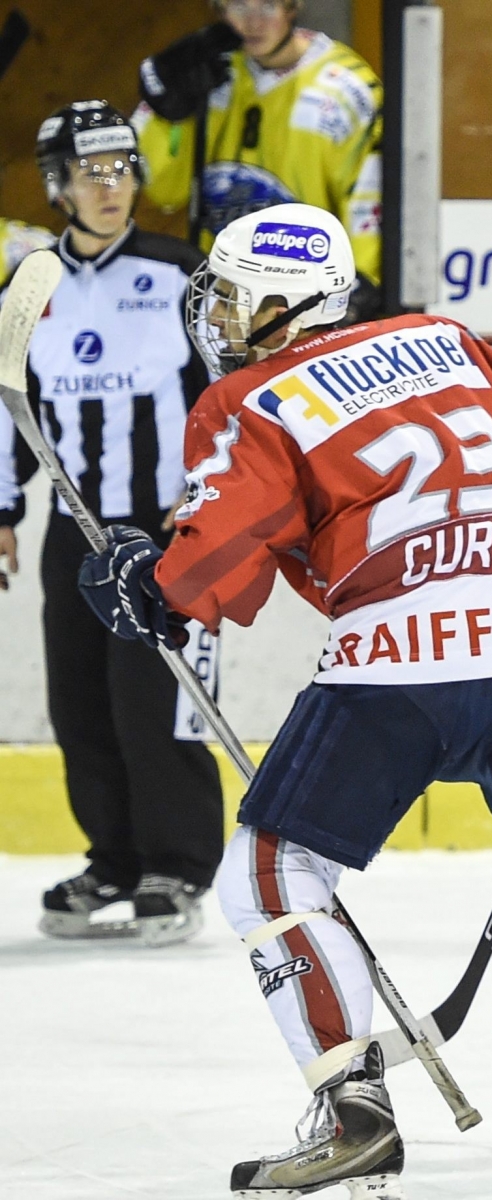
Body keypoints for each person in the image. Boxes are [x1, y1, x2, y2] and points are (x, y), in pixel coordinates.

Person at [75, 201, 492, 1200]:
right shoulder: (445, 339)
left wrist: (144, 583)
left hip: (399, 654)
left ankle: (354, 1114)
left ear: (279, 306)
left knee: (270, 875)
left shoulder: (252, 397)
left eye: (229, 297)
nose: (217, 317)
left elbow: (215, 568)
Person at [0, 102, 223, 946]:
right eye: (90, 172)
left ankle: (178, 863)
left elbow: (228, 399)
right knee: (81, 703)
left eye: (122, 169)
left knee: (155, 702)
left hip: (165, 530)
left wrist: (213, 496)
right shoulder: (30, 286)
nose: (110, 187)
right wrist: (2, 506)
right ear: (57, 185)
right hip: (73, 529)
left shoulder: (180, 276)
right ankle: (116, 859)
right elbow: (8, 406)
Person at [134, 0, 381, 309]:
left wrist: (358, 280)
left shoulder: (345, 88)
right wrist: (167, 117)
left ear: (293, 6)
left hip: (305, 303)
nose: (253, 23)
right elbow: (164, 192)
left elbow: (367, 194)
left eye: (267, 5)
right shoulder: (210, 73)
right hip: (221, 302)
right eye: (238, 5)